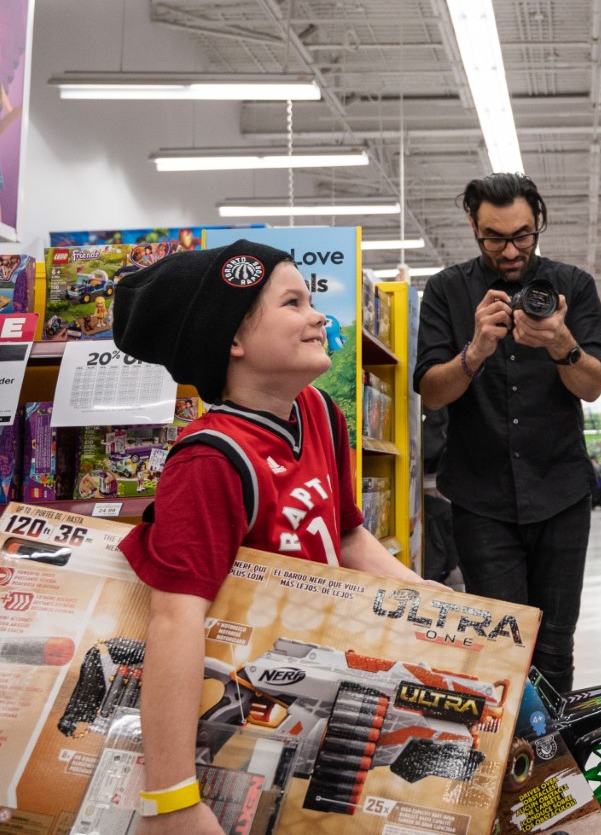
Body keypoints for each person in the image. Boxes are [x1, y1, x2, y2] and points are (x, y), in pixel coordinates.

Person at [112, 240, 428, 835]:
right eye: (293, 302)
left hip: (332, 670)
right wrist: (172, 799)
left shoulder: (319, 412)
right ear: (233, 339)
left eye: (311, 298)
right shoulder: (210, 461)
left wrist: (431, 604)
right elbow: (175, 621)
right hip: (247, 704)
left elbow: (348, 535)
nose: (318, 316)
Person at [415, 172, 601, 694]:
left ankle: (552, 768)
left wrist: (562, 343)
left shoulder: (574, 287)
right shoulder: (446, 291)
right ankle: (507, 770)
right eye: (494, 238)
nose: (510, 250)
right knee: (500, 651)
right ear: (474, 228)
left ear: (538, 222)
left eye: (523, 235)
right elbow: (432, 392)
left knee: (554, 646)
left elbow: (591, 387)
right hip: (481, 498)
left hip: (561, 492)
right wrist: (474, 350)